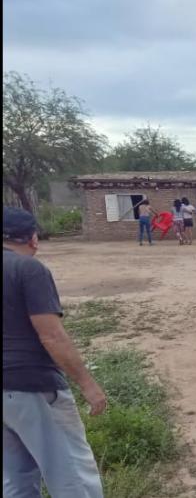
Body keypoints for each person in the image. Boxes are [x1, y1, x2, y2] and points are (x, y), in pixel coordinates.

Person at [3, 207, 107, 497]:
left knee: (16, 479)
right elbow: (51, 334)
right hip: (32, 385)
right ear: (33, 239)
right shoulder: (27, 269)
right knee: (72, 476)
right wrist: (88, 385)